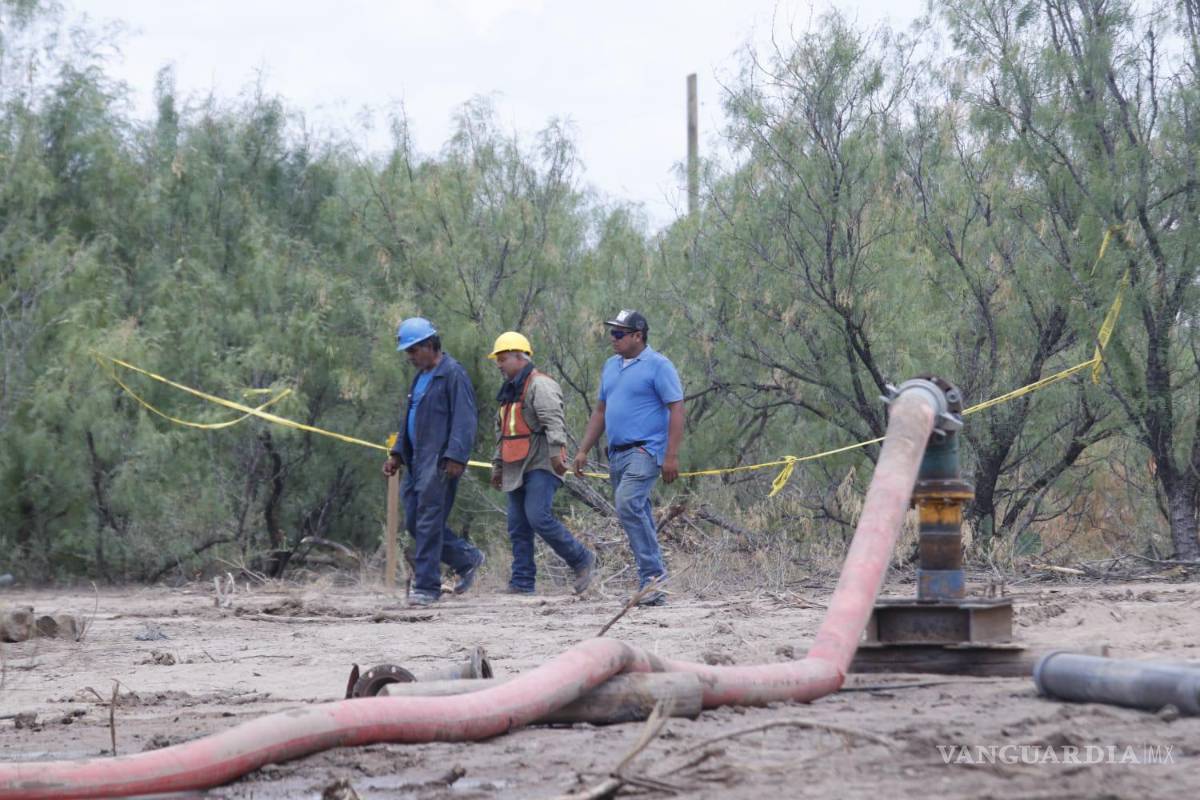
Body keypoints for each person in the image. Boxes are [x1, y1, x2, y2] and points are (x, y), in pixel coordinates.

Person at [572, 310, 684, 606]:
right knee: (636, 511)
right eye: (612, 332)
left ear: (638, 335)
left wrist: (670, 456)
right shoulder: (610, 366)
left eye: (619, 333)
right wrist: (583, 450)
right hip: (618, 454)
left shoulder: (659, 366)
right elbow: (600, 411)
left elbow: (676, 409)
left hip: (646, 450)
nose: (613, 338)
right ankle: (653, 583)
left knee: (628, 503)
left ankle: (654, 581)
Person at [382, 317, 485, 606]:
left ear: (430, 345)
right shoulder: (421, 378)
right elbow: (410, 419)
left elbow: (465, 420)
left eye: (414, 350)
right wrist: (397, 454)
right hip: (416, 461)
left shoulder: (453, 374)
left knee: (428, 521)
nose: (410, 357)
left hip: (439, 461)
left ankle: (427, 586)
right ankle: (467, 558)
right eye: (408, 352)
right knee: (415, 521)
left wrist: (455, 456)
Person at [488, 331, 597, 595]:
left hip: (542, 463)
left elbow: (553, 422)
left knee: (538, 516)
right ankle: (522, 583)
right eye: (498, 360)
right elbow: (503, 431)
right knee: (517, 525)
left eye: (502, 359)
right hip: (515, 465)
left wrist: (556, 455)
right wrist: (497, 465)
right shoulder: (509, 391)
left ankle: (582, 560)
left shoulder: (541, 384)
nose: (499, 365)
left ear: (519, 356)